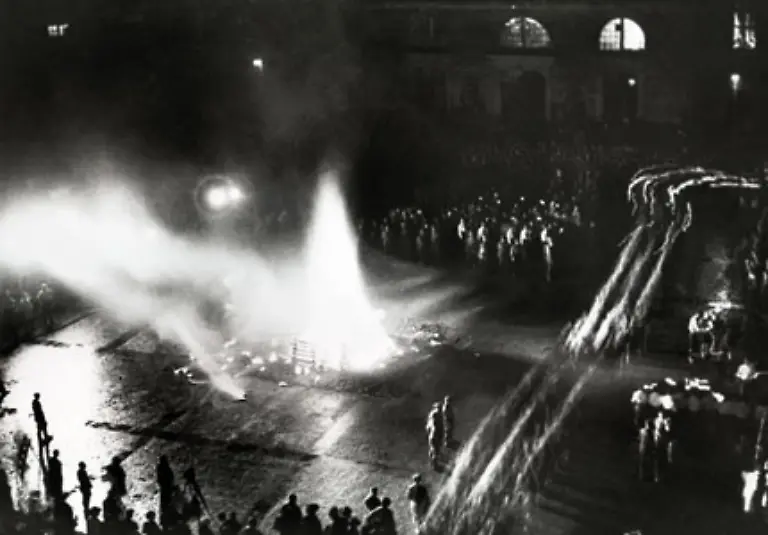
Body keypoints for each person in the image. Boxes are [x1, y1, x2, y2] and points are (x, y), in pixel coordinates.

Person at [426, 403, 443, 470]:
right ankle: (434, 464)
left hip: (432, 435)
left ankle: (432, 461)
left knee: (432, 449)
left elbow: (428, 427)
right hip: (435, 436)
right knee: (435, 450)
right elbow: (437, 427)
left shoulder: (432, 414)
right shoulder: (436, 416)